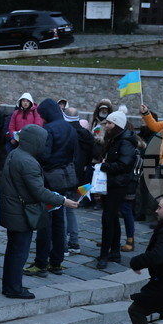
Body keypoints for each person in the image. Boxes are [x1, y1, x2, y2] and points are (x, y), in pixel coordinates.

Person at [0, 124, 80, 299]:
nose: (44, 146)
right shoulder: (28, 162)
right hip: (21, 213)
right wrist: (63, 201)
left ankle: (10, 285)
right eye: (42, 142)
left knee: (13, 250)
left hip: (13, 210)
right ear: (35, 142)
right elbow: (39, 191)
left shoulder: (15, 154)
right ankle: (14, 288)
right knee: (19, 252)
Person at [25, 97, 78, 278]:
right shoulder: (70, 128)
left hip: (49, 179)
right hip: (64, 178)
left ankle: (41, 263)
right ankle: (56, 262)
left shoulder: (48, 129)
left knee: (44, 222)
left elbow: (45, 155)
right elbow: (74, 154)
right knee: (59, 221)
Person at [95, 110, 138, 270]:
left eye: (110, 123)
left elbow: (124, 164)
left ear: (117, 125)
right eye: (107, 123)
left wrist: (105, 166)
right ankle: (114, 252)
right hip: (111, 183)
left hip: (118, 184)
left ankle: (104, 255)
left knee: (108, 219)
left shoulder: (125, 141)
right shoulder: (114, 138)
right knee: (112, 218)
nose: (107, 125)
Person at [63, 106, 93, 253]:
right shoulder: (86, 134)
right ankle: (74, 242)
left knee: (62, 208)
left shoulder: (67, 133)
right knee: (70, 208)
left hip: (66, 173)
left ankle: (63, 244)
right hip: (81, 176)